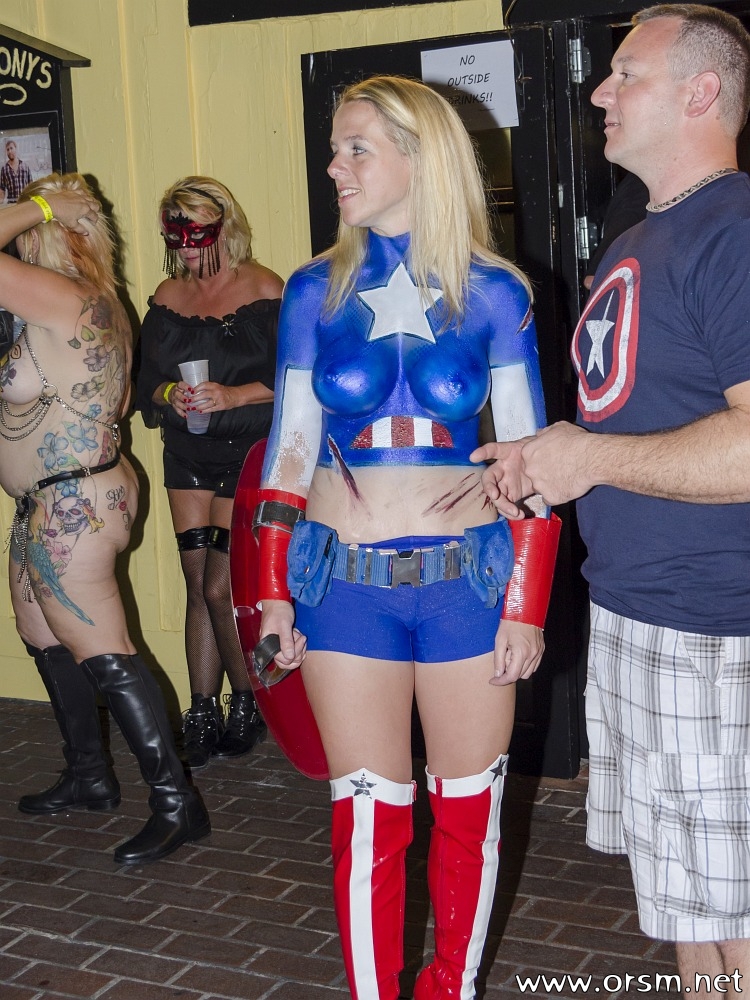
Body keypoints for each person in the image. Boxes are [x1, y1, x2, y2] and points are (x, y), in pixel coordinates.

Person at [253, 75, 560, 999]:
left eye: (356, 148)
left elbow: (531, 464)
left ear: (420, 157)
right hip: (342, 584)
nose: (334, 167)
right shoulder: (313, 290)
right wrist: (271, 592)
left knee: (470, 814)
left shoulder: (497, 293)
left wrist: (526, 604)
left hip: (469, 583)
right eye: (335, 149)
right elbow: (288, 453)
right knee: (366, 819)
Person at [473, 5, 750, 990]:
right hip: (640, 612)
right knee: (685, 904)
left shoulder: (735, 230)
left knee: (737, 912)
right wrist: (548, 456)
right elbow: (645, 416)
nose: (599, 91)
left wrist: (589, 458)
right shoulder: (644, 235)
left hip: (717, 630)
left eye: (627, 73)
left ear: (701, 92)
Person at [0, 173, 210, 864]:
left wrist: (36, 204)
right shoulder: (91, 299)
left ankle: (177, 805)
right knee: (44, 636)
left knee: (105, 650)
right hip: (55, 500)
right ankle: (89, 776)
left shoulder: (64, 297)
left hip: (74, 505)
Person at [135, 177, 283, 769]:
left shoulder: (265, 287)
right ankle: (202, 710)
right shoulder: (169, 294)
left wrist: (233, 395)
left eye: (198, 237)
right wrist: (171, 393)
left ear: (225, 228)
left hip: (246, 451)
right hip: (187, 454)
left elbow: (296, 375)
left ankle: (247, 702)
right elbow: (146, 380)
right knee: (197, 585)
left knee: (222, 588)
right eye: (176, 239)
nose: (188, 252)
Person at [0, 139, 33, 205]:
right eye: (8, 150)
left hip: (24, 202)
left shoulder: (25, 166)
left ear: (15, 148)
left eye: (11, 148)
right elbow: (2, 189)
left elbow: (31, 185)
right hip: (11, 205)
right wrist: (1, 202)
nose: (9, 151)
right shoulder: (4, 169)